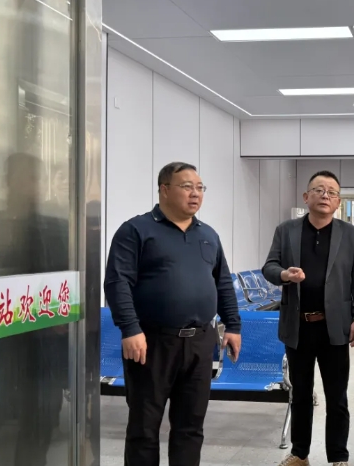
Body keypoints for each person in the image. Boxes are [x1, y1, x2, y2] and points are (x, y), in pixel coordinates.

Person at [104, 162, 242, 466]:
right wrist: (130, 328)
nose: (196, 193)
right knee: (144, 427)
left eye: (200, 188)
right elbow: (117, 282)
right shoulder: (136, 230)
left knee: (190, 427)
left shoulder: (208, 235)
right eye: (187, 186)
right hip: (151, 342)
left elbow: (222, 283)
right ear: (164, 189)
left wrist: (232, 325)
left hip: (199, 342)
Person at [263, 170, 354, 466]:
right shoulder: (286, 230)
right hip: (298, 327)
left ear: (338, 202)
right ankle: (300, 453)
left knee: (337, 396)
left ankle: (338, 456)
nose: (325, 195)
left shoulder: (348, 234)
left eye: (332, 192)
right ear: (306, 197)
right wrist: (284, 275)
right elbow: (269, 266)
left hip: (335, 327)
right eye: (319, 190)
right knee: (300, 394)